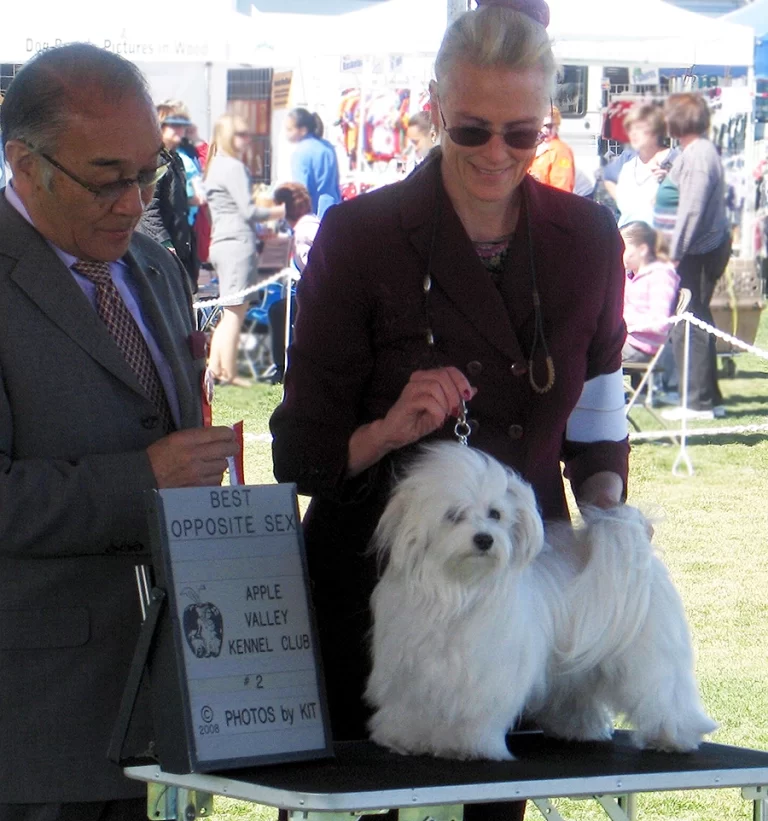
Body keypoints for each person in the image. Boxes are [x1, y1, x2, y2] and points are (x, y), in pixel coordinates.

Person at [271, 2, 628, 819]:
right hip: (372, 601)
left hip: (516, 599)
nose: (496, 153)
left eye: (521, 133)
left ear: (547, 121)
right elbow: (299, 449)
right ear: (434, 109)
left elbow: (599, 408)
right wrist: (387, 429)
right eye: (471, 130)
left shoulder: (588, 238)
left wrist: (607, 511)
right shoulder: (361, 235)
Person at [0, 42, 238, 820]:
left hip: (172, 710)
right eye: (107, 179)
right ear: (24, 164)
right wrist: (145, 479)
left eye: (149, 173)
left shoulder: (155, 267)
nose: (134, 203)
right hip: (39, 731)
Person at [660, 93, 731, 421]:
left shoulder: (699, 155)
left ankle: (697, 403)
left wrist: (673, 255)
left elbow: (691, 211)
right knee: (697, 317)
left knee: (690, 321)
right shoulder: (694, 152)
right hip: (699, 250)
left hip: (698, 252)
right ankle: (710, 399)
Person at [204, 113, 285, 387]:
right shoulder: (233, 167)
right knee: (235, 313)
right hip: (237, 244)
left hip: (221, 242)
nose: (247, 140)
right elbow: (249, 211)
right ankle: (226, 372)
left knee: (230, 311)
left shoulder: (214, 165)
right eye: (241, 134)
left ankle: (216, 368)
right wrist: (279, 211)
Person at [136, 106, 200, 291]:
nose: (181, 129)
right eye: (175, 125)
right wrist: (165, 244)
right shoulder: (154, 160)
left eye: (183, 125)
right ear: (160, 126)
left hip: (181, 241)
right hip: (158, 249)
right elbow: (149, 208)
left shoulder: (175, 159)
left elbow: (173, 201)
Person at [268, 181, 321, 382]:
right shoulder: (313, 223)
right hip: (321, 294)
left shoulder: (303, 234)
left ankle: (282, 367)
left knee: (277, 311)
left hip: (321, 298)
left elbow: (315, 271)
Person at [620, 221, 680, 390]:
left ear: (642, 250)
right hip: (627, 342)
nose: (619, 253)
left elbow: (660, 324)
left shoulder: (660, 277)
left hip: (642, 348)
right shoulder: (630, 276)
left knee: (586, 348)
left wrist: (621, 319)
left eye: (623, 249)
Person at [613, 102, 677, 228]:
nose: (633, 133)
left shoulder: (677, 161)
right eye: (630, 129)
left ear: (656, 131)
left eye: (639, 128)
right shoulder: (627, 163)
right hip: (627, 236)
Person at [285, 107, 341, 218]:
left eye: (289, 129)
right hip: (334, 210)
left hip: (313, 216)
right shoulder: (327, 147)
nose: (286, 133)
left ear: (303, 130)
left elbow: (301, 192)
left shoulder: (301, 152)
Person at [528, 105, 575, 192]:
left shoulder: (560, 151)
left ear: (556, 127)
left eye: (549, 126)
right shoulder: (532, 147)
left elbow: (562, 189)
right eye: (541, 126)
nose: (544, 130)